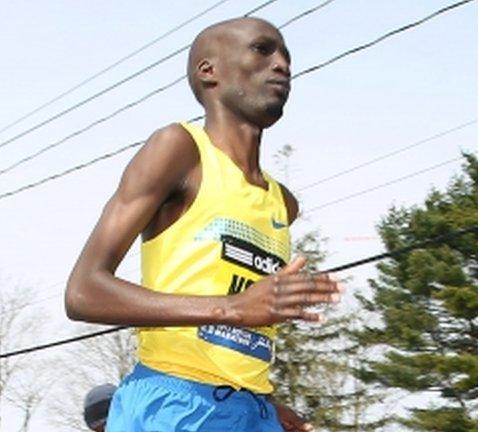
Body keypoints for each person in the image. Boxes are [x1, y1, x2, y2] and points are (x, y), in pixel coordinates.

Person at [66, 17, 343, 432]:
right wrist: (231, 309)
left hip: (252, 410)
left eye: (287, 55)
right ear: (208, 71)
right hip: (173, 402)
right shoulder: (178, 149)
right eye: (263, 49)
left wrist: (266, 402)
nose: (283, 64)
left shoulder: (283, 203)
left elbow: (244, 325)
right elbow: (83, 291)